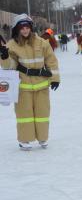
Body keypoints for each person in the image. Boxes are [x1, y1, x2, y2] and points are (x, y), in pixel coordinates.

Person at [0, 14, 60, 150]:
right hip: (22, 86)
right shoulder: (11, 45)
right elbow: (9, 66)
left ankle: (43, 137)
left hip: (42, 85)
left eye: (27, 27)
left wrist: (55, 79)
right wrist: (4, 57)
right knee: (24, 115)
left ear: (30, 28)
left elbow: (51, 61)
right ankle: (24, 139)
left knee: (42, 114)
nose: (25, 30)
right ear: (17, 30)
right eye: (22, 28)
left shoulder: (42, 43)